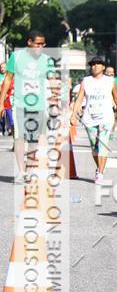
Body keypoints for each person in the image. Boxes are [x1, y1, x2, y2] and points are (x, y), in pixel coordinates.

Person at [0, 31, 55, 181]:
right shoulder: (16, 57)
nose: (40, 47)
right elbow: (7, 79)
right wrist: (1, 102)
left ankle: (29, 171)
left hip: (39, 106)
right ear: (29, 42)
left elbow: (53, 82)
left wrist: (55, 102)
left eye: (43, 44)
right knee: (19, 138)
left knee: (33, 142)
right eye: (37, 43)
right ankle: (20, 171)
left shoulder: (47, 60)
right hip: (19, 104)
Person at [71, 57, 117, 184]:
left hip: (105, 117)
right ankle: (99, 168)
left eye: (98, 64)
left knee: (103, 145)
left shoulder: (110, 81)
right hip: (89, 118)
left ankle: (100, 173)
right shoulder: (86, 81)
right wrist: (73, 114)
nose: (95, 66)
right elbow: (79, 98)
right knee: (94, 146)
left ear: (103, 67)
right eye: (93, 64)